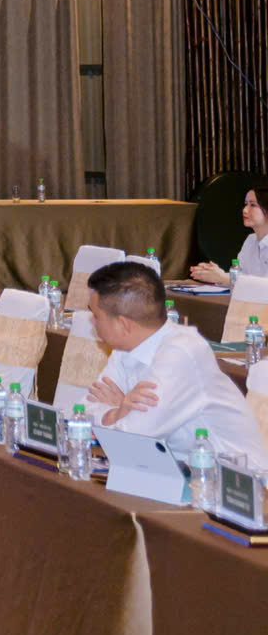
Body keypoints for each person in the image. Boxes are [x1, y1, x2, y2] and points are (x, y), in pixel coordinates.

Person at [83, 260, 268, 468]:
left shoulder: (182, 353)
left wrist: (116, 411)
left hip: (233, 479)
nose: (92, 322)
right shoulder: (123, 348)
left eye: (96, 316)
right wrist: (118, 411)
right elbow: (83, 413)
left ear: (123, 324)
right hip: (175, 469)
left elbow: (134, 435)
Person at [190, 185, 268, 285]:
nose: (244, 210)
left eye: (252, 205)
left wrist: (222, 277)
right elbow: (241, 277)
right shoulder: (250, 240)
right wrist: (213, 273)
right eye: (245, 204)